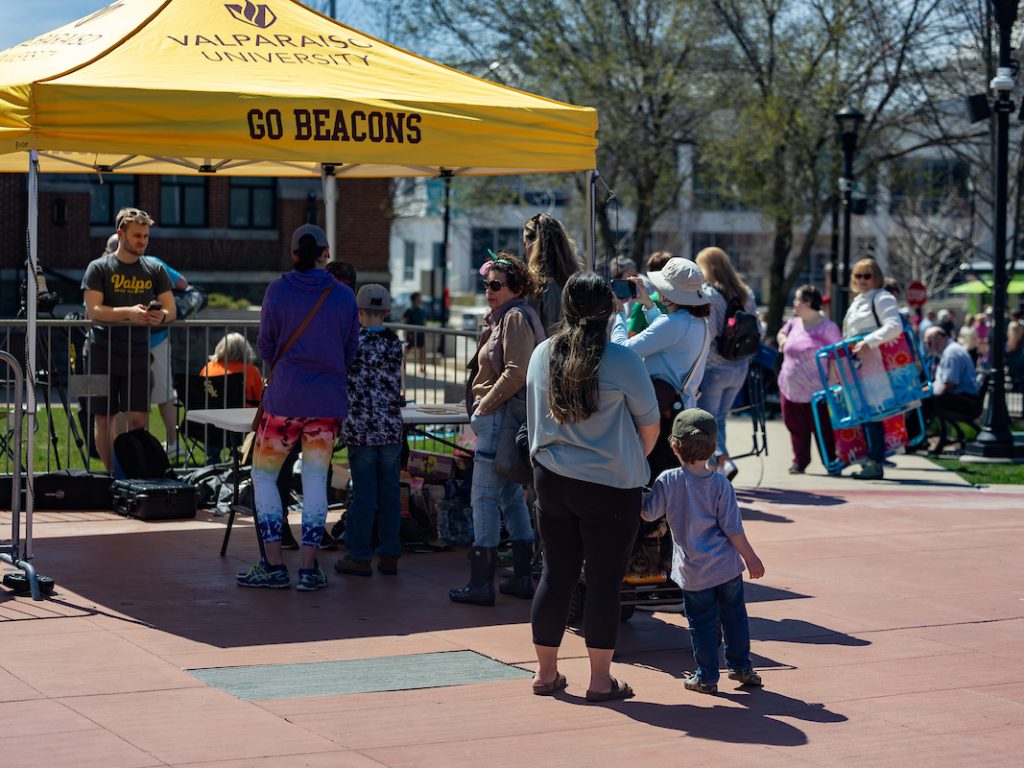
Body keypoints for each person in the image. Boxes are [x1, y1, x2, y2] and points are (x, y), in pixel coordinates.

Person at [527, 272, 660, 702]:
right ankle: (600, 682)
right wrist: (626, 459)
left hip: (552, 478)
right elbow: (650, 428)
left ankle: (545, 674)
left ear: (565, 309)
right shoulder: (623, 361)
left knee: (556, 573)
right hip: (610, 485)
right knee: (604, 582)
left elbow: (533, 417)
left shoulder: (542, 354)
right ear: (611, 311)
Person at [236, 224, 359, 592]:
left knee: (263, 476)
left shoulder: (277, 290)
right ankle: (308, 568)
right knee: (316, 479)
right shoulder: (343, 297)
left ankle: (273, 563)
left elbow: (267, 345)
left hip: (284, 400)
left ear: (293, 255)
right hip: (326, 404)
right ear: (326, 253)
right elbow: (350, 350)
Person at [641, 408, 765, 694]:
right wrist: (750, 557)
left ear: (674, 446)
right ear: (713, 449)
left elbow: (649, 514)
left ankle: (707, 677)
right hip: (726, 568)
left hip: (693, 572)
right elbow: (733, 528)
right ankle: (741, 666)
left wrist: (636, 492)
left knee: (702, 625)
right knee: (734, 617)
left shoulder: (668, 481)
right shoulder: (721, 484)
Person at [449, 253, 545, 607]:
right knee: (507, 496)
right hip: (503, 418)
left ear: (515, 288)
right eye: (487, 284)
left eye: (496, 285)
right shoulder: (509, 316)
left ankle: (481, 582)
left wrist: (485, 404)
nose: (489, 290)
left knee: (484, 497)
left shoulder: (515, 317)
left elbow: (517, 371)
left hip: (500, 418)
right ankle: (520, 575)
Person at [82, 208, 175, 472]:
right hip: (101, 351)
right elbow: (94, 311)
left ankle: (135, 477)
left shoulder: (154, 269)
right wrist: (130, 313)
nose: (142, 241)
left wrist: (161, 316)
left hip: (138, 352)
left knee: (139, 420)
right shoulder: (98, 267)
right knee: (103, 419)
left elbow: (172, 308)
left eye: (145, 236)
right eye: (137, 235)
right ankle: (114, 477)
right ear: (120, 234)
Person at [611, 257, 711, 480]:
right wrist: (648, 304)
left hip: (659, 413)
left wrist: (619, 314)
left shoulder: (674, 323)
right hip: (677, 409)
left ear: (668, 292)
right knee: (669, 477)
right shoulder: (696, 321)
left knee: (651, 476)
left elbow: (621, 350)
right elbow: (668, 333)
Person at [335, 284, 405, 577]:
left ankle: (359, 555)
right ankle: (389, 554)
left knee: (364, 495)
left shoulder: (353, 343)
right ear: (387, 311)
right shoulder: (395, 343)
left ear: (359, 312)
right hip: (390, 427)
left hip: (361, 428)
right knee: (389, 494)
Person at [696, 247, 762, 481]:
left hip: (715, 366)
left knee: (707, 419)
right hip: (740, 365)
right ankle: (720, 467)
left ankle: (722, 461)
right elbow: (758, 328)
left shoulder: (709, 294)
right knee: (721, 417)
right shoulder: (746, 293)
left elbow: (710, 331)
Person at [842, 257, 903, 480]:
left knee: (875, 414)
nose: (862, 280)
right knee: (866, 415)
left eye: (867, 275)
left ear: (877, 277)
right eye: (858, 275)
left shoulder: (882, 297)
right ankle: (870, 459)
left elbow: (894, 326)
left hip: (877, 365)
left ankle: (876, 462)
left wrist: (869, 341)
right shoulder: (858, 301)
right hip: (859, 366)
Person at [776, 285, 842, 474]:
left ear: (807, 302)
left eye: (797, 300)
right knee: (795, 426)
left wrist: (832, 381)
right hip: (790, 386)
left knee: (822, 427)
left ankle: (831, 462)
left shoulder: (827, 327)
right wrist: (782, 341)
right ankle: (800, 461)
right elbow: (782, 333)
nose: (794, 304)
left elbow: (836, 355)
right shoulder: (794, 323)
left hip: (818, 390)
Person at [197, 333, 264, 463]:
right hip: (241, 426)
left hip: (210, 425)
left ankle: (212, 460)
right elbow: (259, 399)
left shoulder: (208, 368)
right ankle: (239, 459)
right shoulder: (251, 371)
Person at [523, 213, 581, 336]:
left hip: (543, 353)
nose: (525, 249)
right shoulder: (577, 282)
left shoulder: (535, 286)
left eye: (525, 243)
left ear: (533, 246)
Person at [922, 326, 982, 428]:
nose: (927, 347)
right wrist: (923, 390)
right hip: (960, 398)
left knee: (922, 404)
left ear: (939, 338)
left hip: (963, 401)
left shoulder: (951, 354)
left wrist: (931, 396)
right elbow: (940, 382)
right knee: (920, 401)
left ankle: (915, 439)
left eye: (929, 343)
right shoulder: (949, 351)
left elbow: (949, 384)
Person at [402, 291, 428, 373]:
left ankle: (421, 367)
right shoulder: (409, 310)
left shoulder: (422, 310)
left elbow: (424, 321)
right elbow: (405, 321)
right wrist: (408, 333)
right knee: (407, 350)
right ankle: (403, 365)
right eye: (419, 297)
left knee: (422, 351)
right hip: (411, 334)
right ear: (415, 299)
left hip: (420, 334)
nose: (420, 299)